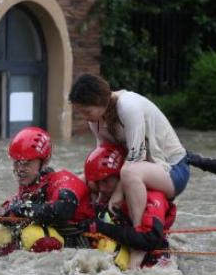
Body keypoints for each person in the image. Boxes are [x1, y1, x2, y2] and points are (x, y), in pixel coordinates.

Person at [68, 73, 189, 233]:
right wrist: (92, 184)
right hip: (140, 169)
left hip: (173, 170)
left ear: (99, 101)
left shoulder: (128, 106)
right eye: (80, 113)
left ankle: (138, 236)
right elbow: (104, 157)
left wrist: (118, 194)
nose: (85, 117)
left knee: (129, 172)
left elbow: (136, 157)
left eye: (87, 111)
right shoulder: (95, 120)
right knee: (84, 177)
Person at [0, 127, 95, 255]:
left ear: (44, 161)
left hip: (82, 242)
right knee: (1, 234)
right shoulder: (26, 190)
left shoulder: (63, 180)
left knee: (36, 236)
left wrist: (25, 209)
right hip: (55, 243)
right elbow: (5, 219)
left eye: (26, 163)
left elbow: (64, 210)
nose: (20, 169)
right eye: (16, 163)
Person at [78, 142, 177, 270]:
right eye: (97, 183)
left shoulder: (152, 197)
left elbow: (149, 239)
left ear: (120, 177)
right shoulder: (105, 195)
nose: (101, 188)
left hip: (154, 267)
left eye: (105, 181)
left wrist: (99, 227)